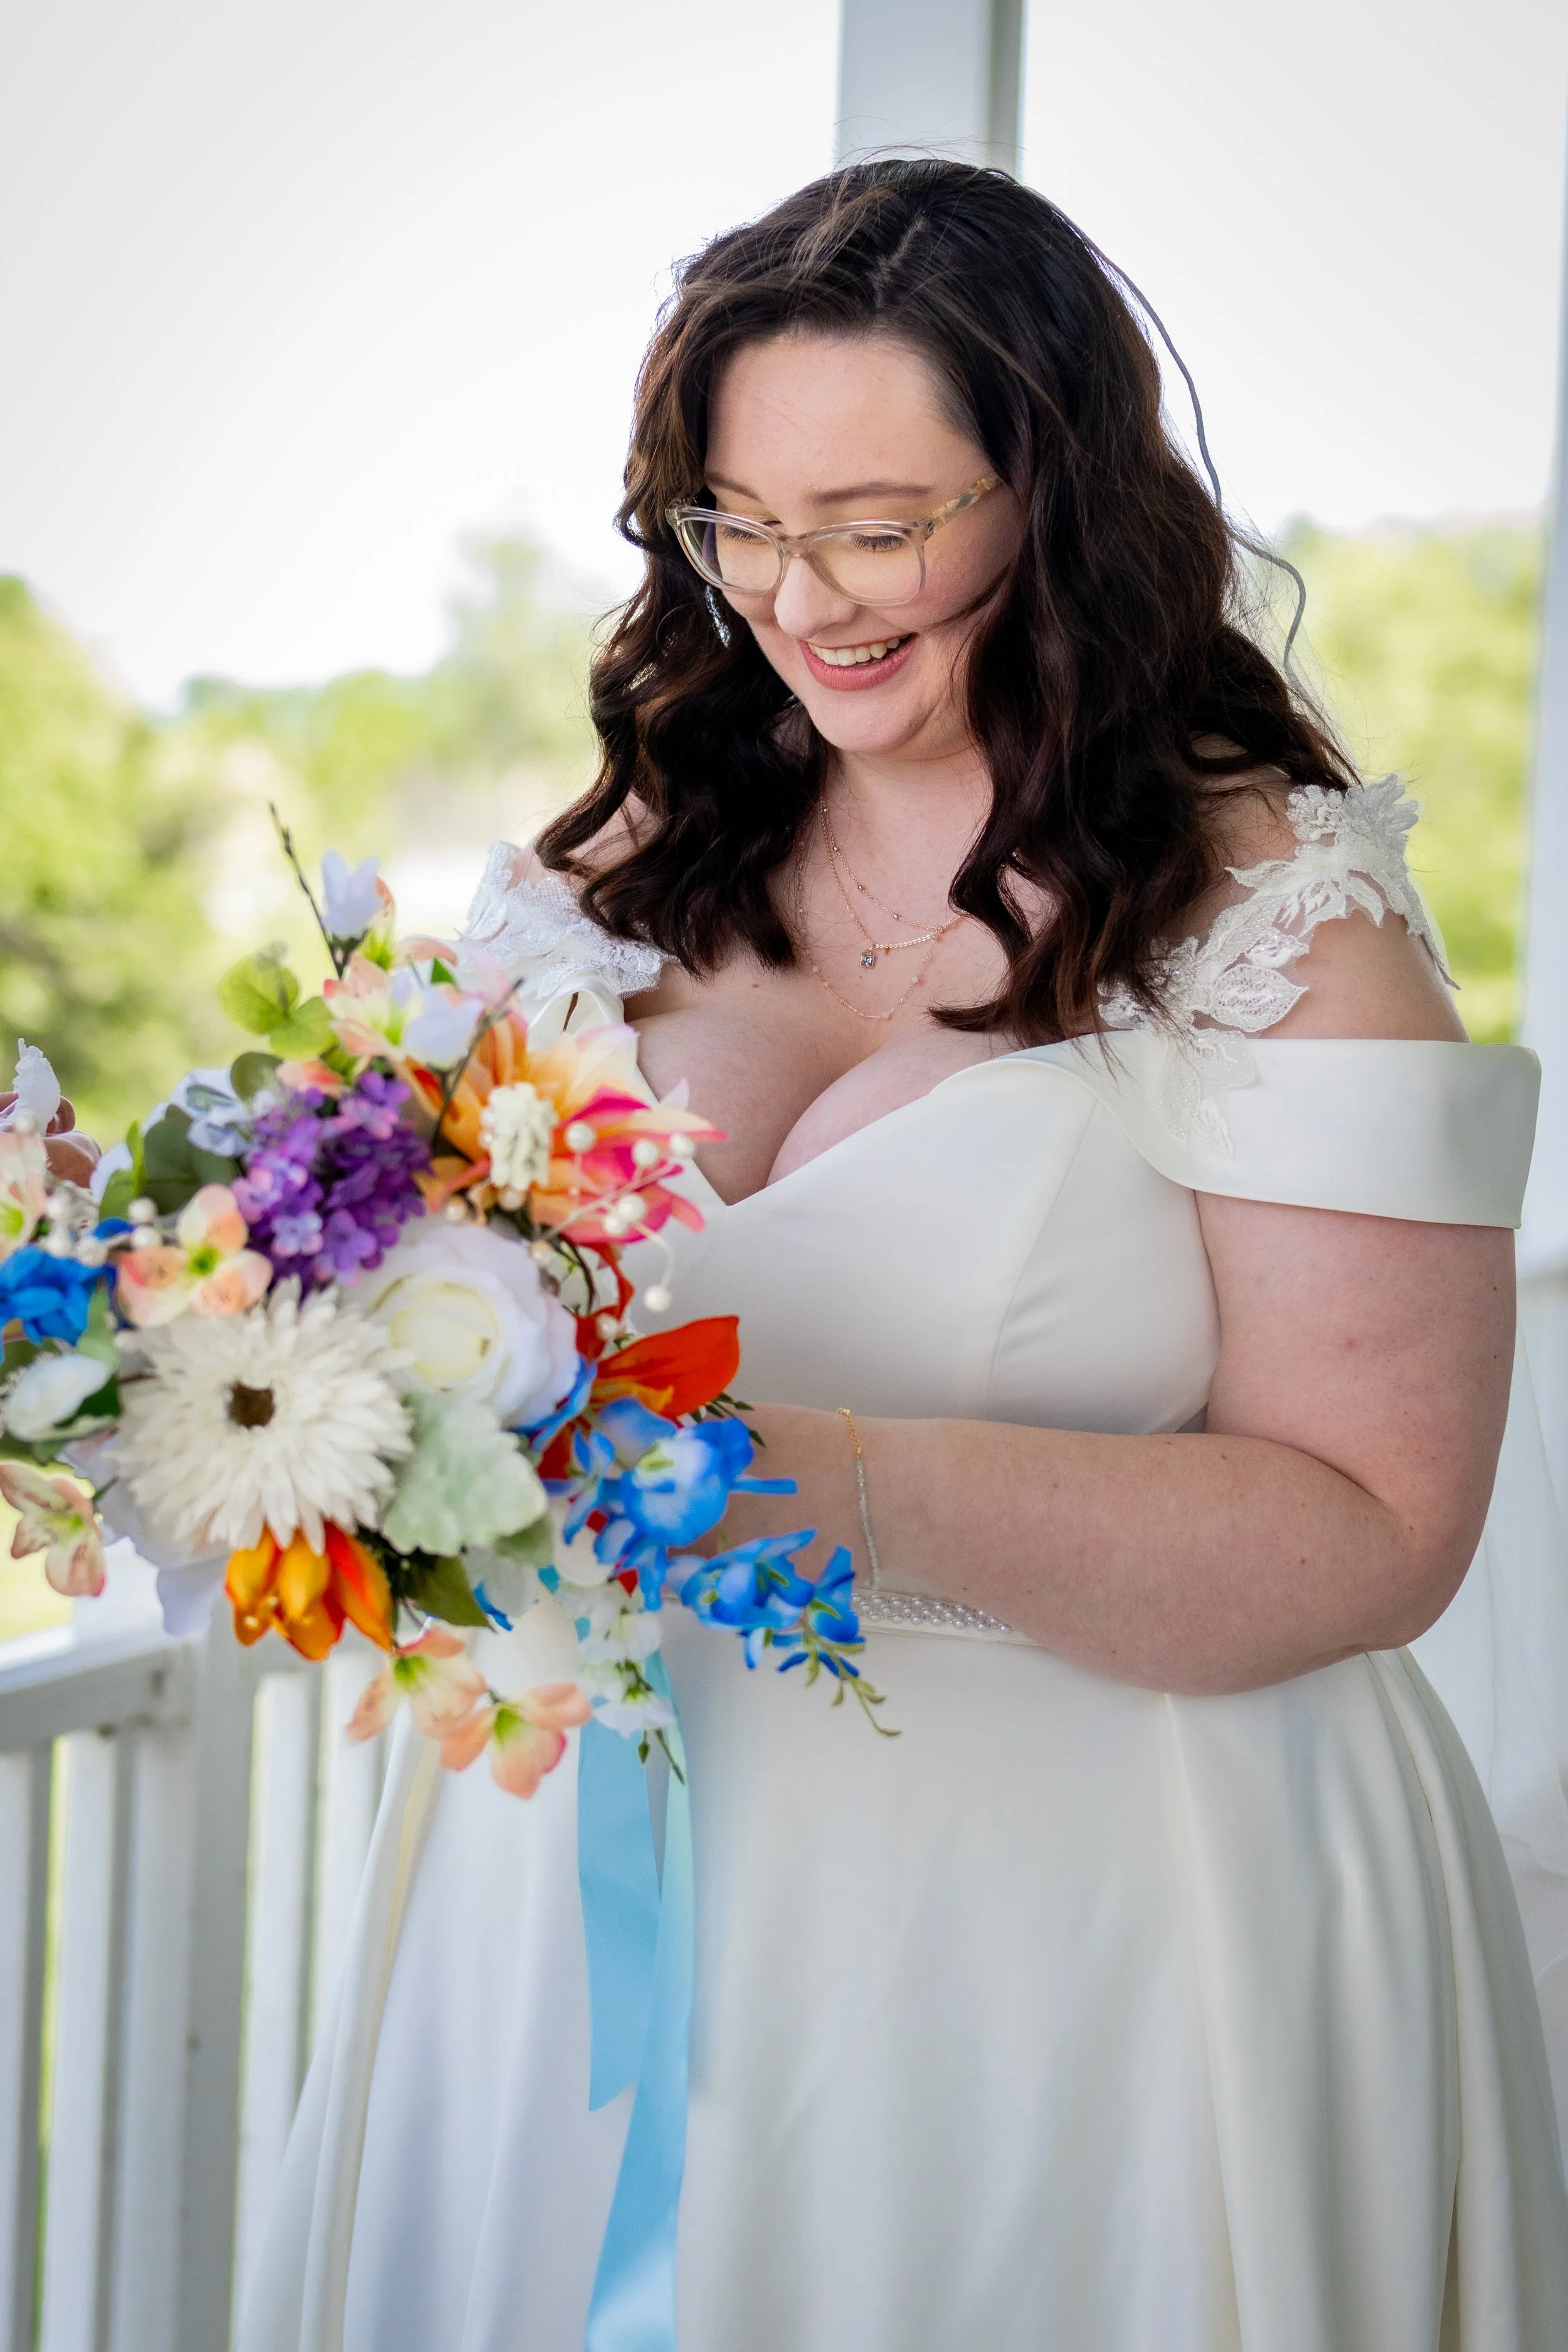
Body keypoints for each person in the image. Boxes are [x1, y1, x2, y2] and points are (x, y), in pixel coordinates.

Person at [240, 162, 1568, 2352]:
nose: (799, 596)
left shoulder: (1271, 919)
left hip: (1103, 1936)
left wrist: (792, 1478)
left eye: (879, 525)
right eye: (735, 525)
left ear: (1054, 494)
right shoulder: (622, 871)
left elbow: (1379, 1528)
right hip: (575, 1908)